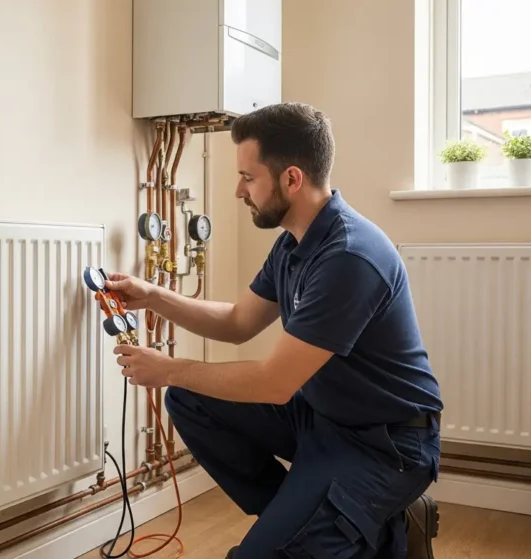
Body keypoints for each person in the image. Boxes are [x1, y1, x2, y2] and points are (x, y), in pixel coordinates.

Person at [107, 102, 443, 558]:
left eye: (248, 177)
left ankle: (362, 523)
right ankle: (324, 518)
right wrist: (153, 295)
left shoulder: (349, 257)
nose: (238, 192)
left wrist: (168, 367)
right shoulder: (294, 242)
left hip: (385, 444)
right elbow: (237, 322)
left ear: (291, 179)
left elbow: (274, 383)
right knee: (189, 399)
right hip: (324, 418)